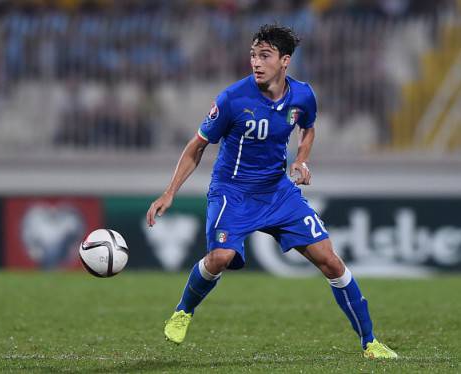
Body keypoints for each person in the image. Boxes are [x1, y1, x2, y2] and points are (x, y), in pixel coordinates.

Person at [146, 24, 398, 359]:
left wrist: (302, 161)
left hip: (277, 191)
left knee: (331, 262)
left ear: (285, 61)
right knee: (220, 257)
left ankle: (370, 342)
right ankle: (183, 311)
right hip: (232, 192)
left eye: (264, 55)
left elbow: (307, 129)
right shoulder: (232, 99)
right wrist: (169, 192)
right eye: (253, 55)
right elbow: (196, 147)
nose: (256, 62)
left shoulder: (303, 96)